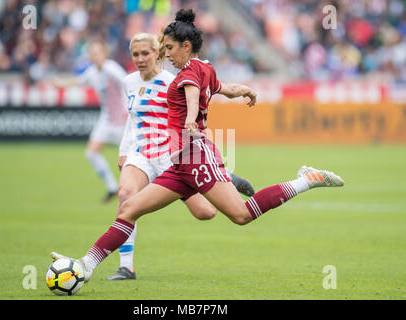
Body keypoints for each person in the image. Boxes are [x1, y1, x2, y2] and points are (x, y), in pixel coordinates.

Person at [51, 9, 344, 284]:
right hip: (180, 163)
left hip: (195, 155)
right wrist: (244, 90)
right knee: (128, 209)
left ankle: (304, 180)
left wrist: (191, 118)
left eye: (168, 48)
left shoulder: (187, 74)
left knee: (241, 215)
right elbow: (224, 89)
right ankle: (85, 266)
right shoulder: (205, 68)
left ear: (186, 46)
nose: (165, 54)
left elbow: (192, 96)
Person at [107, 32, 255, 280]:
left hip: (171, 154)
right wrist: (124, 151)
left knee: (205, 213)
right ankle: (126, 266)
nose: (140, 59)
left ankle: (221, 176)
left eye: (146, 53)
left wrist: (197, 149)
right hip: (141, 153)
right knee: (125, 195)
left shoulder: (173, 81)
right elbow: (131, 120)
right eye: (135, 54)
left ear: (158, 53)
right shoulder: (128, 82)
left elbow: (191, 118)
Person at [50, 40, 128, 202]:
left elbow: (128, 84)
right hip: (106, 120)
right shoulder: (92, 72)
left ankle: (140, 187)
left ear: (105, 54)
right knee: (91, 152)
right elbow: (79, 81)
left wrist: (131, 107)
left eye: (98, 52)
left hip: (123, 120)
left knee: (130, 158)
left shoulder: (112, 68)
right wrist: (60, 85)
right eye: (93, 53)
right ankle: (112, 187)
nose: (96, 56)